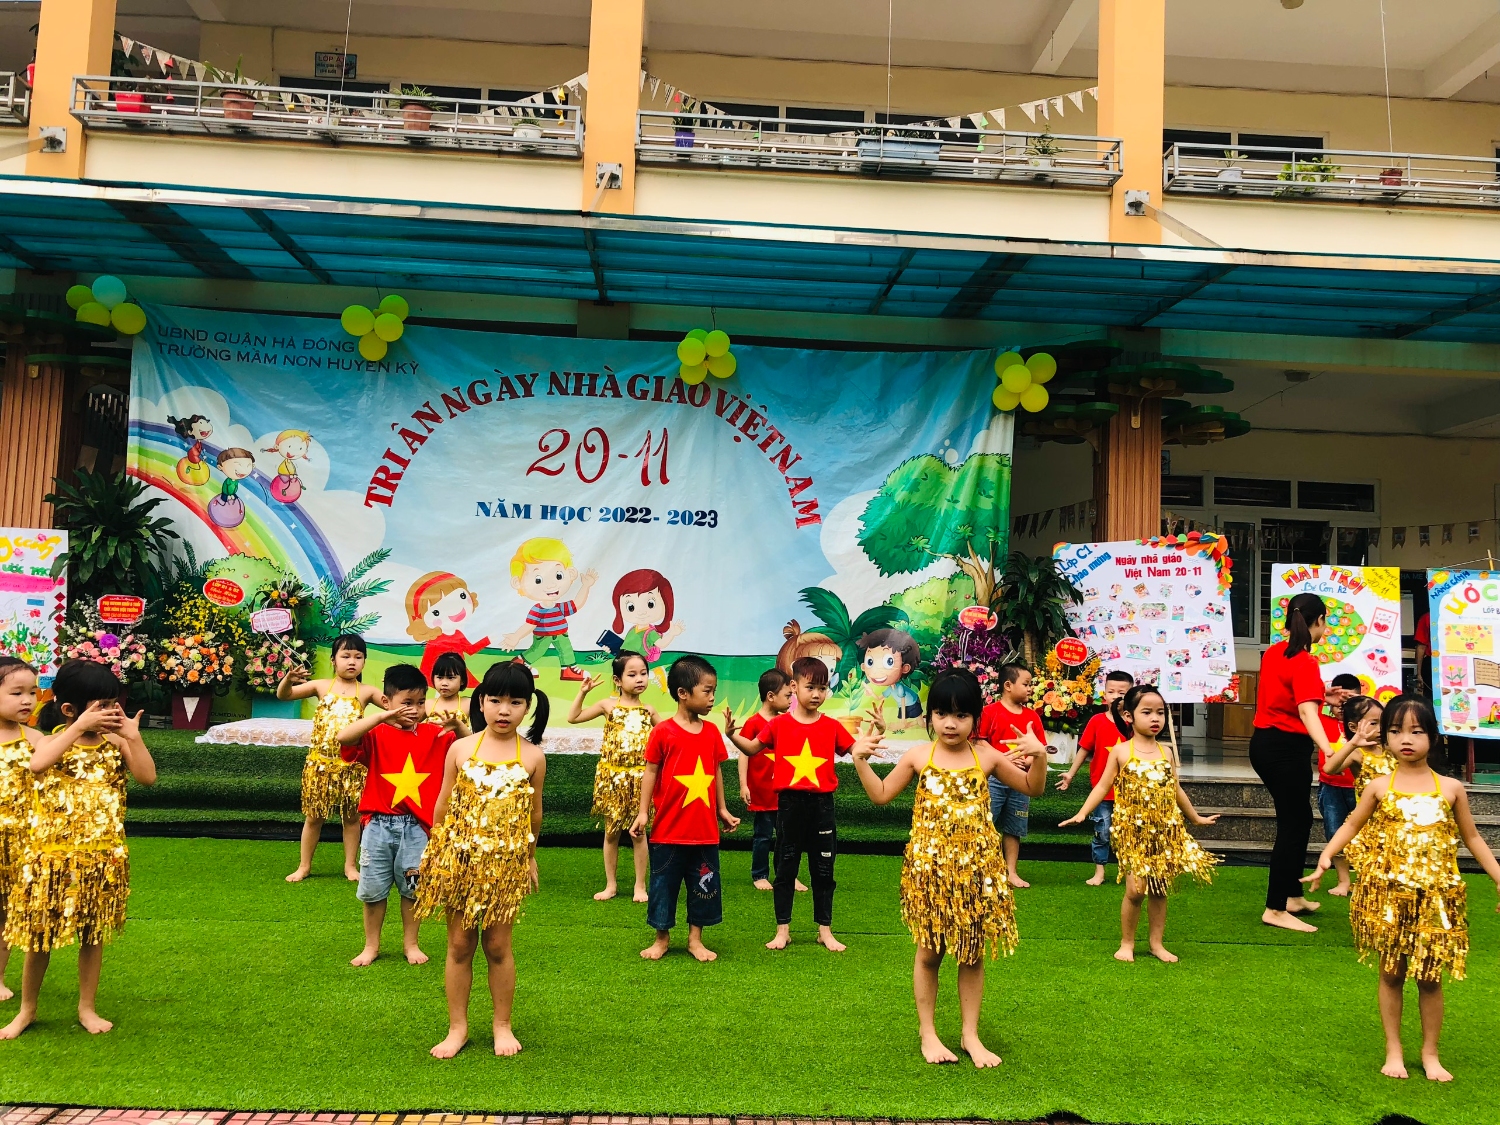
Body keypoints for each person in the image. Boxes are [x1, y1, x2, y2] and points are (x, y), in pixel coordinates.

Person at [850, 668, 1048, 1068]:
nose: (950, 723)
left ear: (976, 718)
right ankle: (928, 1033)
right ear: (930, 717)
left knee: (972, 954)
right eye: (941, 713)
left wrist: (1039, 757)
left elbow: (1033, 788)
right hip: (930, 875)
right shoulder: (918, 756)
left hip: (978, 872)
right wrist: (859, 760)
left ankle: (970, 1035)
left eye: (961, 715)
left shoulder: (986, 756)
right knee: (929, 953)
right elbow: (881, 795)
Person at [1303, 695, 1500, 1083]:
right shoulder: (1378, 786)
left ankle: (1430, 1052)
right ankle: (1393, 1048)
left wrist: (1497, 874)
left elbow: (1473, 837)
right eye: (1395, 731)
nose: (1405, 739)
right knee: (1391, 973)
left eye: (1416, 731)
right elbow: (1351, 824)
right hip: (1389, 898)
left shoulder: (1451, 788)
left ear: (1433, 738)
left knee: (1430, 978)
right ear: (1386, 737)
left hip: (1436, 900)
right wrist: (1326, 855)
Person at [0, 660, 156, 1038]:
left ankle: (87, 1007)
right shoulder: (50, 741)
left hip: (101, 856)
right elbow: (38, 764)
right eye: (101, 706)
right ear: (70, 709)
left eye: (113, 704)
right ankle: (27, 1009)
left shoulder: (116, 743)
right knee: (40, 939)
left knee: (93, 934)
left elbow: (147, 777)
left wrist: (133, 737)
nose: (110, 712)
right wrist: (77, 728)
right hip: (51, 857)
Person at [418, 661, 548, 1059]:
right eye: (495, 700)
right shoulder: (460, 748)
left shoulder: (533, 757)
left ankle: (501, 1024)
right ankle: (457, 1027)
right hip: (458, 862)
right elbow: (443, 804)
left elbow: (535, 816)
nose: (504, 710)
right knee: (459, 945)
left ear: (528, 707)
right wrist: (434, 852)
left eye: (515, 702)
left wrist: (529, 858)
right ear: (480, 702)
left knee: (497, 946)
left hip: (505, 867)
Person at [730, 656, 881, 952]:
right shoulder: (778, 725)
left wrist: (875, 733)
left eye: (822, 688)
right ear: (794, 687)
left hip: (822, 806)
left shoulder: (832, 726)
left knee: (823, 871)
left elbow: (857, 750)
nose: (816, 694)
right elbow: (751, 748)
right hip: (789, 805)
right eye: (810, 687)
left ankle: (825, 930)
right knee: (786, 869)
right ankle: (782, 930)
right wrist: (731, 734)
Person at [1060, 685, 1219, 963]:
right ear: (1128, 716)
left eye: (1160, 712)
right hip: (1132, 833)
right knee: (1135, 891)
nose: (1155, 718)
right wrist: (1083, 813)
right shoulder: (1121, 751)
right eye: (1147, 712)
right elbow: (1103, 786)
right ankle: (1127, 943)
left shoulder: (1166, 752)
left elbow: (1175, 789)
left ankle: (1156, 943)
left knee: (1159, 889)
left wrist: (1194, 817)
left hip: (1165, 832)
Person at [335, 663, 459, 968]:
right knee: (373, 891)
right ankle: (371, 945)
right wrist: (382, 717)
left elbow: (469, 750)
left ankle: (411, 943)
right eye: (406, 703)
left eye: (420, 702)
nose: (415, 710)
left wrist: (458, 726)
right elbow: (343, 737)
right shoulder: (375, 733)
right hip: (377, 826)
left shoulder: (436, 734)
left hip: (417, 829)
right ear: (387, 701)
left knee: (412, 889)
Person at [631, 655, 740, 962]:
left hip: (705, 833)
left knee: (703, 886)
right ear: (683, 693)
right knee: (663, 886)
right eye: (707, 691)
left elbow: (716, 771)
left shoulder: (712, 732)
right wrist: (643, 812)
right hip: (668, 832)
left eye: (713, 690)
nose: (712, 697)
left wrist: (722, 809)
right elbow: (650, 772)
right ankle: (661, 939)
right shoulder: (663, 732)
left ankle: (695, 939)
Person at [1248, 591, 1334, 932]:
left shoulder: (1274, 652)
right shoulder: (1305, 661)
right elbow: (1306, 712)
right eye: (1325, 622)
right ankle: (1275, 907)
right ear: (1319, 621)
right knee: (1293, 824)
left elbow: (1288, 695)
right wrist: (1329, 748)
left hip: (1265, 745)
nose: (1325, 628)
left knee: (1299, 819)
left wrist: (1322, 695)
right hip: (1285, 749)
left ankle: (1293, 896)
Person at [277, 634, 386, 883]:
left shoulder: (367, 691)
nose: (352, 661)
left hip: (352, 767)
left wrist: (391, 688)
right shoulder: (321, 686)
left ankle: (350, 865)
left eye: (358, 657)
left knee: (352, 818)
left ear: (364, 662)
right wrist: (287, 680)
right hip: (320, 765)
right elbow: (284, 695)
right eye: (346, 656)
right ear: (333, 660)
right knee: (314, 817)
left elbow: (392, 706)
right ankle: (304, 865)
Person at [568, 651, 658, 903]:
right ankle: (611, 885)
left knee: (638, 833)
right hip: (612, 781)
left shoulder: (648, 710)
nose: (639, 679)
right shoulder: (608, 706)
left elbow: (667, 735)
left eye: (643, 673)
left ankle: (640, 886)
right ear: (617, 680)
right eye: (632, 674)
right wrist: (583, 692)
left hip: (640, 781)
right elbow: (573, 717)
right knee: (611, 833)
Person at [1057, 669, 1134, 885]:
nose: (1116, 696)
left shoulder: (1135, 723)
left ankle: (1130, 871)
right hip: (1102, 790)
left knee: (1128, 832)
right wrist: (1070, 774)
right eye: (1111, 691)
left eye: (1122, 692)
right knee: (1102, 830)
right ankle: (1099, 871)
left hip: (1130, 790)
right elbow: (1084, 749)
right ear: (1104, 694)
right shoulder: (1097, 721)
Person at [977, 665, 1046, 890]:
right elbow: (978, 741)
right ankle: (981, 869)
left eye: (1030, 684)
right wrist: (1003, 761)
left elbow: (1040, 749)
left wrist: (1027, 762)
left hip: (1022, 781)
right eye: (1026, 684)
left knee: (1014, 827)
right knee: (985, 823)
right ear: (1008, 685)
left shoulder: (1032, 717)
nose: (1030, 689)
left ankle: (1011, 872)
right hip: (993, 779)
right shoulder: (989, 712)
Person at [0, 658, 41, 1002]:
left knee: (6, 912)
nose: (27, 700)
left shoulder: (37, 739)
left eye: (32, 692)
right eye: (17, 693)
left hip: (20, 843)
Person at [736, 667, 796, 891]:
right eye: (787, 695)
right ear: (770, 696)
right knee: (762, 835)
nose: (791, 700)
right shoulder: (753, 723)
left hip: (785, 792)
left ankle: (787, 874)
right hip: (762, 792)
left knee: (787, 836)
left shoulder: (787, 722)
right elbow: (744, 753)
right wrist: (744, 784)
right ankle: (760, 874)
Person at [1323, 695, 1390, 876]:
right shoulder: (1358, 754)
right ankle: (1345, 880)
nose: (1380, 729)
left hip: (1394, 817)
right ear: (1353, 727)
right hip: (1369, 819)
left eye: (1382, 722)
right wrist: (1353, 743)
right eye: (1373, 723)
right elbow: (1329, 768)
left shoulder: (1390, 748)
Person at [1313, 674, 1362, 897]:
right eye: (1339, 703)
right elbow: (1305, 708)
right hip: (1331, 787)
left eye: (1348, 703)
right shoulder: (1323, 721)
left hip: (1360, 789)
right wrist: (1325, 696)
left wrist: (1359, 703)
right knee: (1335, 833)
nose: (1342, 708)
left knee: (1366, 835)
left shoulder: (1366, 727)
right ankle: (1343, 881)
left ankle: (1364, 879)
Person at [425, 651, 472, 736]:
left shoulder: (469, 703)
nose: (444, 683)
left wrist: (458, 726)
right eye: (440, 677)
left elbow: (478, 736)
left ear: (462, 680)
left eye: (450, 678)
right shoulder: (427, 704)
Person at [1413, 611, 1431, 696]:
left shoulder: (1465, 617)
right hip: (1432, 664)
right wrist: (1418, 674)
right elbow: (1421, 646)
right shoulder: (1427, 617)